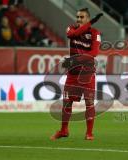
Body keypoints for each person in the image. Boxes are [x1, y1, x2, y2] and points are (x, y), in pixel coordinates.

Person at [50, 8, 103, 141]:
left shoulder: (95, 33)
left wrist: (77, 59)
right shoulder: (71, 29)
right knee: (67, 102)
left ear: (87, 18)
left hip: (87, 72)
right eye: (77, 17)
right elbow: (72, 35)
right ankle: (64, 130)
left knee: (89, 102)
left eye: (82, 17)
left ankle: (89, 133)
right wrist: (89, 23)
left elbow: (94, 52)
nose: (78, 19)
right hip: (73, 72)